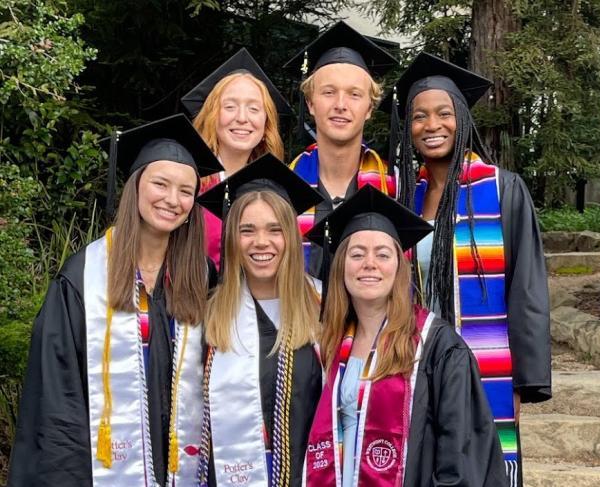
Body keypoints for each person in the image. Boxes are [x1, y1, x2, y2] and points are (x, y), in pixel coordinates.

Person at [8, 114, 224, 486]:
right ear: (136, 187)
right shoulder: (83, 277)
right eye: (160, 184)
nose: (172, 200)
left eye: (186, 190)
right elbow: (58, 401)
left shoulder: (201, 278)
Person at [386, 52, 552, 486]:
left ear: (462, 117)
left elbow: (527, 288)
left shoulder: (501, 189)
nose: (431, 125)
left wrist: (520, 382)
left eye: (444, 113)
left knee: (480, 467)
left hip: (484, 364)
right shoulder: (403, 198)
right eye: (419, 116)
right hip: (417, 361)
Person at [303, 185, 507, 486]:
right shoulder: (330, 344)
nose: (369, 264)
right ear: (340, 267)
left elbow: (461, 458)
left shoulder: (437, 347)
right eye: (357, 254)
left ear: (399, 267)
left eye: (382, 254)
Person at [196, 154, 324, 487]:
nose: (261, 242)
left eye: (274, 230)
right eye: (247, 230)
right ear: (231, 240)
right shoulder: (207, 315)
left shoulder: (324, 307)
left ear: (291, 238)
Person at [283, 21, 399, 278]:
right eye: (328, 92)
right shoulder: (284, 188)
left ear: (369, 109)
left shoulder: (396, 187)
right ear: (311, 103)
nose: (340, 105)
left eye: (354, 94)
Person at [182, 47, 292, 268]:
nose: (242, 118)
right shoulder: (189, 183)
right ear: (213, 115)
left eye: (253, 109)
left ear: (266, 123)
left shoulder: (275, 189)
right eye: (230, 107)